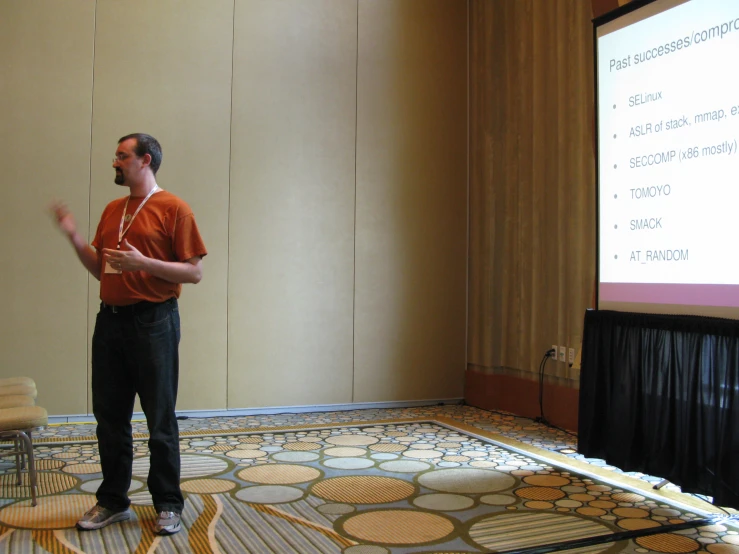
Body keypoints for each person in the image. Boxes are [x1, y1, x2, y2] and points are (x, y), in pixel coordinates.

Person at [51, 133, 207, 536]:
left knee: (159, 419)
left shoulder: (174, 208)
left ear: (146, 160)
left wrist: (145, 262)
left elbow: (194, 272)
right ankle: (113, 501)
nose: (115, 162)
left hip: (154, 322)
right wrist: (73, 237)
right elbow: (101, 268)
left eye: (122, 156)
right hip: (111, 323)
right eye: (116, 156)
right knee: (109, 419)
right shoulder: (113, 209)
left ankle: (168, 504)